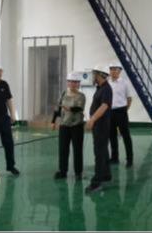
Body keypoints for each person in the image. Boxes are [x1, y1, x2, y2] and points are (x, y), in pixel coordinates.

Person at [51, 72, 86, 180]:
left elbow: (80, 108)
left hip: (77, 126)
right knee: (63, 149)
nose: (73, 84)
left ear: (78, 83)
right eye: (71, 82)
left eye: (75, 82)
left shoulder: (81, 96)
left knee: (77, 149)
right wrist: (53, 121)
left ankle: (78, 172)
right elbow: (58, 108)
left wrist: (69, 108)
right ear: (68, 83)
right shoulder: (63, 94)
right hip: (64, 126)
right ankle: (62, 171)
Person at [85, 65, 113, 193]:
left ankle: (97, 182)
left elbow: (104, 106)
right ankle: (106, 174)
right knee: (103, 150)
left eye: (94, 74)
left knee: (99, 152)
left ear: (101, 75)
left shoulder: (106, 89)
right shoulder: (100, 88)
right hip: (99, 125)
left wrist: (92, 120)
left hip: (101, 125)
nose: (93, 76)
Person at [108, 62, 134, 167]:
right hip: (110, 112)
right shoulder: (107, 83)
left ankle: (129, 159)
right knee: (112, 136)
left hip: (121, 111)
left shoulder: (125, 83)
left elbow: (129, 99)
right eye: (112, 69)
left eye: (116, 69)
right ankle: (114, 158)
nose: (113, 71)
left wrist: (125, 110)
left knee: (126, 136)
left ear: (120, 71)